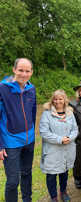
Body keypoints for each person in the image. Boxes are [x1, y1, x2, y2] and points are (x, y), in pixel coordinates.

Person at [0, 58, 36, 202]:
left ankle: (27, 199)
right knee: (13, 180)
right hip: (10, 142)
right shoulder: (3, 88)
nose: (24, 74)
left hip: (29, 140)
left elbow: (33, 112)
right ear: (14, 70)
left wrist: (33, 133)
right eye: (20, 70)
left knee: (27, 173)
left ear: (31, 72)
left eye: (27, 71)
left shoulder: (31, 89)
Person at [39, 90, 78, 202]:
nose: (58, 101)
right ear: (52, 100)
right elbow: (44, 132)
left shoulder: (70, 114)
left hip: (67, 149)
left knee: (64, 172)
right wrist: (60, 139)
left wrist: (69, 138)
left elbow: (75, 129)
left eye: (60, 99)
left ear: (65, 100)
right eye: (55, 99)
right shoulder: (47, 114)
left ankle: (63, 191)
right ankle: (53, 197)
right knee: (51, 175)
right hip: (52, 150)